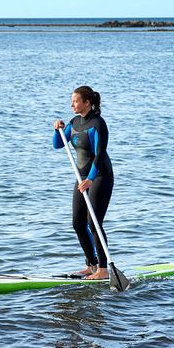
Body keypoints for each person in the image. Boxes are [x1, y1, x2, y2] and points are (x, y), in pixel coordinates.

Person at [52, 86, 114, 280]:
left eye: (76, 101)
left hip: (100, 177)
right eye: (72, 101)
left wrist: (91, 179)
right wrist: (58, 130)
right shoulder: (75, 122)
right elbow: (58, 144)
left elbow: (100, 155)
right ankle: (91, 265)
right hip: (81, 178)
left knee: (94, 222)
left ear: (87, 102)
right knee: (78, 223)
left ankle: (103, 270)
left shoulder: (98, 124)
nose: (72, 104)